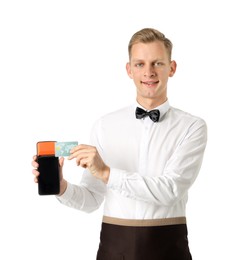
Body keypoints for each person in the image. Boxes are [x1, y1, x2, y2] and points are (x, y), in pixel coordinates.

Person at [32, 28, 207, 260]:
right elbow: (92, 199)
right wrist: (61, 186)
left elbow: (170, 190)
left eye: (157, 63)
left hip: (168, 247)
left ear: (172, 68)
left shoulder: (192, 127)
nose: (149, 72)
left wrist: (106, 172)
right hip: (114, 248)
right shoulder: (105, 125)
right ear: (129, 70)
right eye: (139, 64)